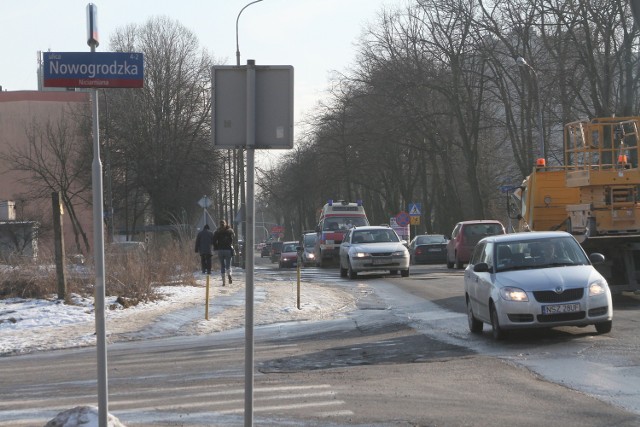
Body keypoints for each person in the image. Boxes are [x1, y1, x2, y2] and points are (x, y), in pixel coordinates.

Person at [213, 219, 235, 286]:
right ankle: (229, 275)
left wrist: (216, 247)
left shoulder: (217, 232)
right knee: (228, 265)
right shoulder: (230, 231)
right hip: (228, 250)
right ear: (226, 224)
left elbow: (214, 241)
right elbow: (233, 237)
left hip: (220, 250)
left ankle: (223, 282)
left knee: (222, 266)